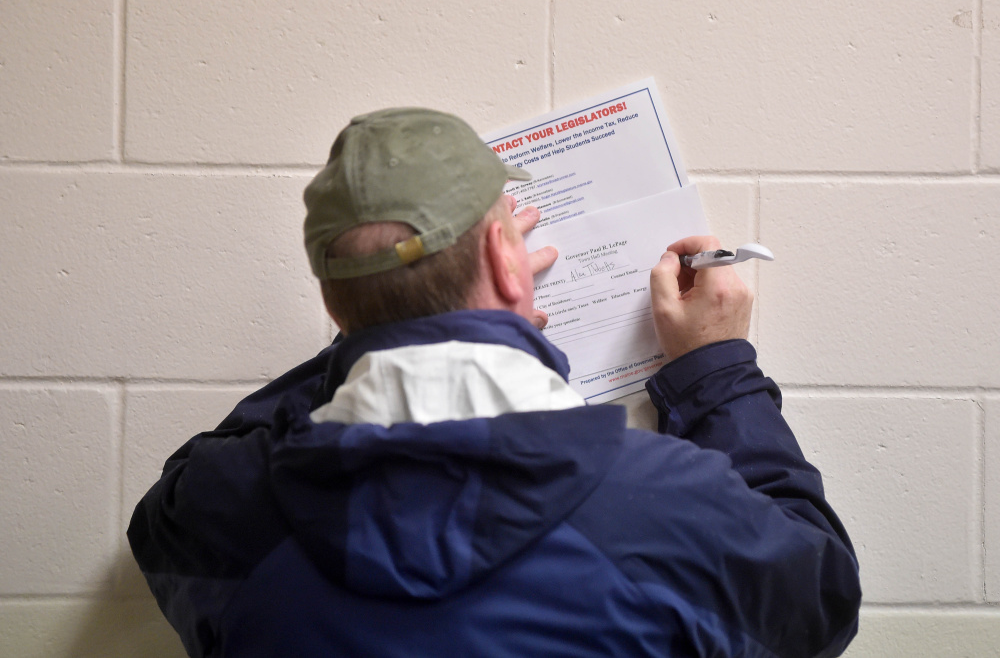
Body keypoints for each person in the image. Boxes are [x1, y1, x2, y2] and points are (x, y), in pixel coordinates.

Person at [128, 107, 861, 657]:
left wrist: (385, 322)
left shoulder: (219, 512)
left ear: (331, 304)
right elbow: (821, 599)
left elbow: (165, 511)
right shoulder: (670, 507)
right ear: (509, 263)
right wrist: (716, 369)